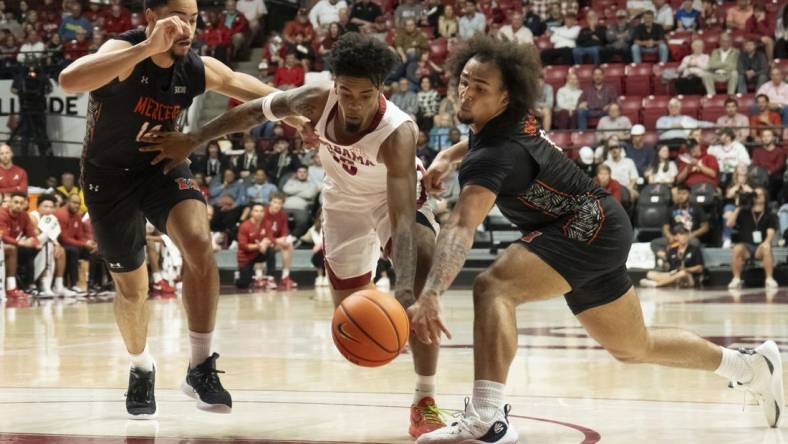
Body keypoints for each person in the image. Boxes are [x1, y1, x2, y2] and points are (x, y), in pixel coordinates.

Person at [410, 35, 784, 443]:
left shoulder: (494, 157)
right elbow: (482, 139)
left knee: (493, 287)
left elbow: (462, 224)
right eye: (464, 81)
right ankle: (749, 367)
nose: (466, 93)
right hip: (597, 224)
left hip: (585, 227)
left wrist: (431, 292)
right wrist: (448, 155)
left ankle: (487, 417)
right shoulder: (508, 121)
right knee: (633, 347)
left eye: (480, 88)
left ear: (505, 98)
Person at [138, 32, 446, 437]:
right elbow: (251, 113)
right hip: (342, 204)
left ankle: (425, 400)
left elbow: (404, 219)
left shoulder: (397, 132)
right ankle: (383, 323)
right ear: (334, 84)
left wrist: (405, 291)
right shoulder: (315, 100)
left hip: (394, 203)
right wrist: (193, 139)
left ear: (381, 91)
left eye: (365, 95)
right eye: (346, 92)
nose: (354, 104)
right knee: (352, 318)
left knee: (419, 272)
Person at [56, 0, 309, 419]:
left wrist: (299, 115)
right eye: (178, 18)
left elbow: (242, 84)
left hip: (161, 165)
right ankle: (141, 366)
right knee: (134, 291)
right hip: (108, 178)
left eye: (193, 19)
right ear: (152, 17)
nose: (189, 28)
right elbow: (68, 79)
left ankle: (200, 364)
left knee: (198, 242)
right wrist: (144, 47)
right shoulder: (122, 52)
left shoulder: (192, 67)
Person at [726, 187, 779, 289]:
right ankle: (736, 279)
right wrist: (738, 207)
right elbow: (729, 223)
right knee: (737, 248)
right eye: (755, 195)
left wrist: (767, 242)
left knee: (766, 247)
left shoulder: (770, 214)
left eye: (760, 194)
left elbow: (771, 231)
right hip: (746, 246)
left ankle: (769, 279)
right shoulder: (744, 211)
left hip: (761, 247)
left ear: (765, 197)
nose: (757, 196)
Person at [55, 193, 97, 294]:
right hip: (60, 245)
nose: (77, 206)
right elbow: (63, 238)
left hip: (74, 244)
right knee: (73, 251)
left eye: (78, 203)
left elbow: (80, 235)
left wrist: (88, 243)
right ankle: (73, 285)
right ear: (68, 202)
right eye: (74, 203)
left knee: (93, 252)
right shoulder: (61, 214)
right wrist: (83, 244)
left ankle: (90, 284)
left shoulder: (77, 215)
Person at [0, 192, 40, 298]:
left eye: (21, 203)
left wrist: (35, 242)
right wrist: (20, 242)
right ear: (10, 203)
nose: (18, 205)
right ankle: (11, 288)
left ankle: (30, 285)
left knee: (32, 250)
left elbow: (31, 234)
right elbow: (3, 237)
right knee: (13, 249)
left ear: (25, 205)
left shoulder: (24, 215)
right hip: (4, 245)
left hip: (14, 246)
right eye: (16, 202)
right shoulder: (2, 214)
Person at [235, 203, 276, 289]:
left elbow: (271, 239)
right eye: (256, 211)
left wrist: (265, 243)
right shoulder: (244, 226)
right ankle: (239, 275)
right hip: (246, 257)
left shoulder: (267, 223)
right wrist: (258, 246)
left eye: (261, 211)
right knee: (243, 284)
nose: (259, 213)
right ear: (251, 213)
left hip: (259, 253)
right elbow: (243, 246)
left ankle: (270, 278)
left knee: (271, 250)